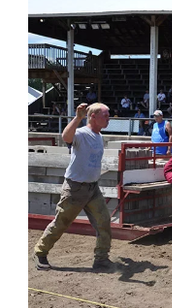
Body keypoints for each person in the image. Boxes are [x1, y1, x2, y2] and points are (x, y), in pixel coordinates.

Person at [32, 103, 113, 271]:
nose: (108, 118)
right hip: (75, 188)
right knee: (61, 222)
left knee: (104, 221)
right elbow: (66, 137)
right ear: (93, 117)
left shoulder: (98, 136)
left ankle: (101, 258)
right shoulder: (82, 134)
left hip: (92, 188)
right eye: (105, 115)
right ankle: (40, 252)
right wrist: (77, 118)